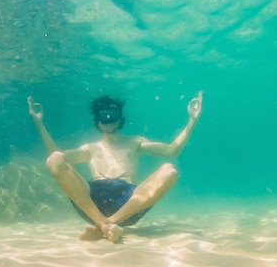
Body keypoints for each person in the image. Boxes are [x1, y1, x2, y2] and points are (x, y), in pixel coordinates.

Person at [28, 92, 203, 243]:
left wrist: (192, 121)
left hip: (129, 203)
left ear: (120, 119)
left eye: (113, 115)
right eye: (104, 116)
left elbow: (171, 151)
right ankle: (106, 225)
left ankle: (106, 224)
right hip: (93, 202)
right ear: (98, 122)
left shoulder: (135, 142)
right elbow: (56, 159)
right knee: (55, 159)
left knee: (169, 170)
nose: (109, 120)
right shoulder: (91, 148)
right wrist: (40, 125)